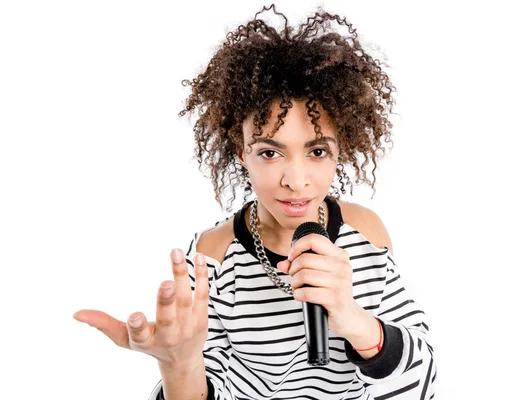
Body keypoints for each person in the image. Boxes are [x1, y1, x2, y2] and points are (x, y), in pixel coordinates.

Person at [72, 4, 437, 399]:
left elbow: (420, 382)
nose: (296, 182)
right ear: (240, 150)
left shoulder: (364, 234)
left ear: (339, 150)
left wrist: (353, 320)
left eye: (316, 152)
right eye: (269, 153)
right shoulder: (215, 255)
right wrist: (181, 369)